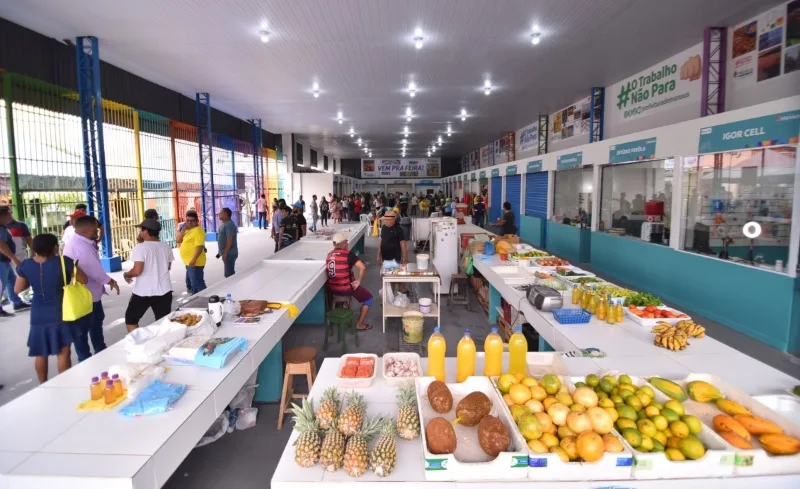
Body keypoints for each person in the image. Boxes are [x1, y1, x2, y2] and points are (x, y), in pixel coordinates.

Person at [15, 233, 87, 383]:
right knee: (63, 350)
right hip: (60, 310)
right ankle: (63, 383)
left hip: (38, 312)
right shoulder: (63, 261)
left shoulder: (26, 265)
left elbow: (17, 289)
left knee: (40, 352)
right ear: (55, 247)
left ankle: (42, 384)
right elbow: (83, 279)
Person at [63, 215, 119, 361]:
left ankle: (90, 355)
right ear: (89, 229)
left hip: (86, 294)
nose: (98, 232)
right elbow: (93, 270)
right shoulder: (81, 247)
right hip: (88, 296)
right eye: (95, 229)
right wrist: (110, 281)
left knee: (87, 327)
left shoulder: (79, 241)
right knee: (90, 326)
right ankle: (92, 356)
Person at [122, 219, 174, 332]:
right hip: (164, 291)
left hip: (144, 292)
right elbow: (168, 267)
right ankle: (163, 344)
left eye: (141, 230)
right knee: (163, 321)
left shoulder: (141, 248)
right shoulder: (166, 246)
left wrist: (126, 274)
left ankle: (139, 343)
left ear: (146, 231)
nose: (140, 232)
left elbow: (137, 271)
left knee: (131, 319)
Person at [326, 233, 372, 331]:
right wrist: (359, 281)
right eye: (346, 242)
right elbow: (363, 268)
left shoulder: (329, 254)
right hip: (345, 289)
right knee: (369, 299)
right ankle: (359, 324)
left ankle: (345, 304)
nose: (347, 244)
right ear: (343, 244)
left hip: (333, 289)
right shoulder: (347, 254)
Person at [0, 207, 26, 314]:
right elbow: (2, 246)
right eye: (9, 213)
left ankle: (17, 302)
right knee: (2, 284)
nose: (11, 215)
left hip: (4, 260)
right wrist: (14, 259)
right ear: (3, 215)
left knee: (11, 280)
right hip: (1, 260)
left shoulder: (3, 227)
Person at [177, 210, 207, 294]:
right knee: (190, 281)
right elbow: (178, 240)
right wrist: (183, 231)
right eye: (188, 220)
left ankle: (204, 298)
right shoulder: (187, 229)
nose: (189, 222)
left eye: (192, 221)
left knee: (197, 282)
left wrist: (193, 260)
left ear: (197, 220)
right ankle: (194, 295)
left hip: (195, 262)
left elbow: (199, 246)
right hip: (188, 262)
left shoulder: (198, 231)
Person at [217, 207, 238, 278]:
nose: (219, 214)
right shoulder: (224, 224)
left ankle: (233, 288)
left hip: (229, 253)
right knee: (229, 273)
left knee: (229, 275)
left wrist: (225, 253)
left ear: (226, 215)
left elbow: (229, 240)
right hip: (226, 252)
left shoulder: (229, 225)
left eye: (221, 213)